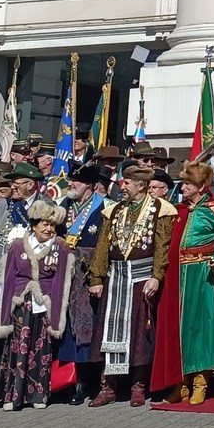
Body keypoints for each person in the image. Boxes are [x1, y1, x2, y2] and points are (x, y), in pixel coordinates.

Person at [86, 162, 175, 406]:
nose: (122, 187)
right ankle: (108, 386)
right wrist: (96, 278)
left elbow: (163, 246)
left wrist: (156, 276)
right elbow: (102, 246)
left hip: (141, 278)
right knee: (109, 331)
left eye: (127, 183)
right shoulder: (114, 210)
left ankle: (138, 385)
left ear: (141, 185)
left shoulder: (161, 209)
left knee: (140, 334)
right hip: (115, 277)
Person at [151, 160, 214, 405]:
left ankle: (200, 382)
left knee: (201, 328)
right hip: (177, 275)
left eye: (188, 183)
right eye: (183, 183)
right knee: (179, 329)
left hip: (202, 274)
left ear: (201, 186)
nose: (183, 187)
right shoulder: (178, 211)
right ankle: (181, 384)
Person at [0, 198, 72, 411]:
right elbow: (5, 278)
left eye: (52, 225)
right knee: (17, 349)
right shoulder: (18, 246)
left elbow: (63, 281)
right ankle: (13, 396)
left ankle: (38, 394)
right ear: (34, 225)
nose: (49, 229)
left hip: (45, 306)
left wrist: (58, 313)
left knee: (41, 349)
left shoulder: (60, 247)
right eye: (44, 224)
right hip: (21, 305)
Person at [57, 162, 108, 402]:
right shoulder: (63, 206)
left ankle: (88, 381)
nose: (71, 184)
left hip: (89, 277)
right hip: (64, 276)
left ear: (91, 185)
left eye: (76, 181)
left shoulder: (105, 208)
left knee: (88, 328)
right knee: (66, 328)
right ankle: (67, 380)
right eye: (71, 180)